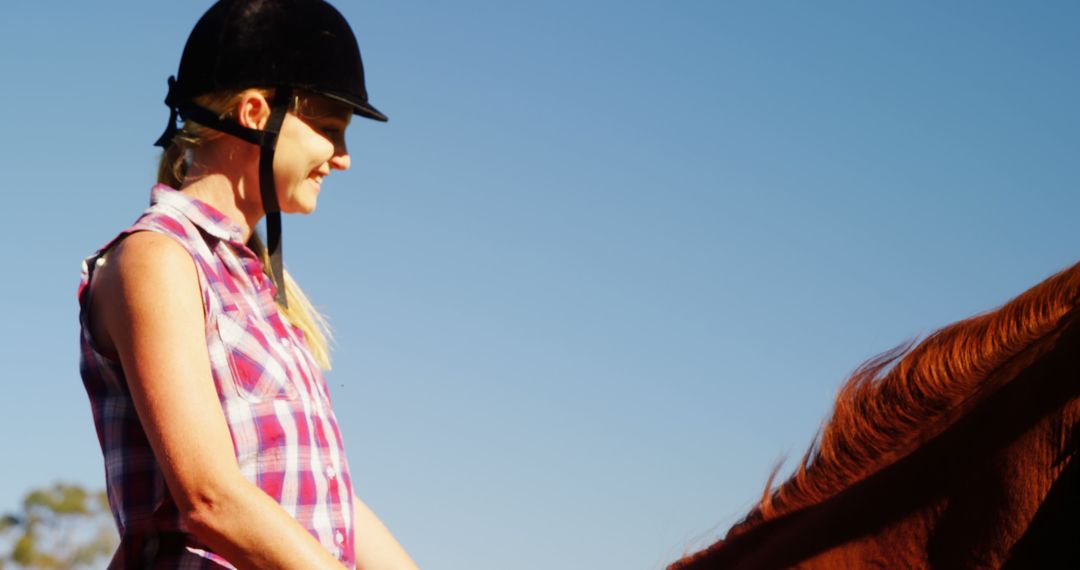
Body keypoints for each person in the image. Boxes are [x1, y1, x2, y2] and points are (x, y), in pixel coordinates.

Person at [77, 1, 418, 568]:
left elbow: (330, 500)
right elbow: (210, 499)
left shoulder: (261, 291)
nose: (344, 159)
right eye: (331, 130)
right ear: (257, 113)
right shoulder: (157, 260)